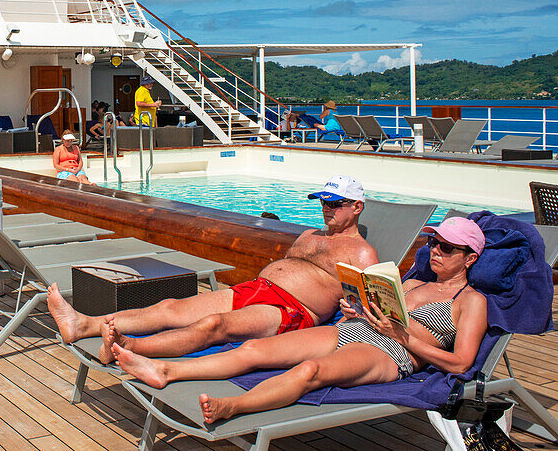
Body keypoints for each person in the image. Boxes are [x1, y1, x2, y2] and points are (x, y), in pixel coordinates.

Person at [112, 217, 488, 426]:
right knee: (253, 349)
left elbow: (461, 363)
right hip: (352, 329)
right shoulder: (415, 281)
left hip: (390, 353)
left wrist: (402, 337)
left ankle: (234, 407)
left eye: (447, 248)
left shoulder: (470, 302)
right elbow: (388, 314)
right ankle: (165, 369)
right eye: (434, 243)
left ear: (469, 258)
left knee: (310, 371)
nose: (435, 251)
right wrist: (361, 311)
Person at [48, 175, 378, 363]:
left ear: (357, 207)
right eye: (323, 201)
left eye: (335, 204)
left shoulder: (361, 253)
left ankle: (127, 347)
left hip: (293, 310)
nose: (326, 209)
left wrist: (354, 310)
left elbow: (373, 309)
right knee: (170, 308)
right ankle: (83, 324)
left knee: (214, 325)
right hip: (258, 290)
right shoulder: (310, 234)